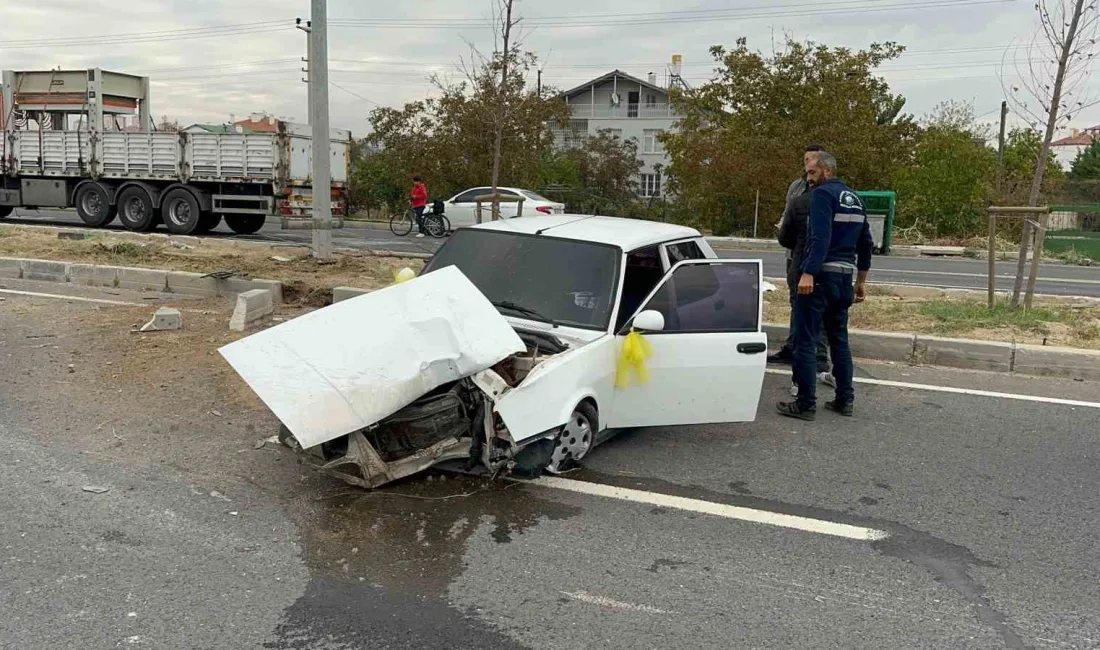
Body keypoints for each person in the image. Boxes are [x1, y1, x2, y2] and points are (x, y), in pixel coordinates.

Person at [777, 151, 873, 421]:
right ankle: (845, 399)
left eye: (812, 173)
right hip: (844, 278)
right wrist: (861, 281)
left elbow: (819, 237)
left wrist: (808, 273)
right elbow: (866, 243)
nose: (809, 178)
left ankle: (805, 403)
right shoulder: (855, 199)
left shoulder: (821, 196)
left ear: (827, 172)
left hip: (820, 278)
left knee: (805, 340)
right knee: (839, 341)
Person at [769, 145, 830, 386]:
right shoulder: (796, 186)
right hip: (793, 254)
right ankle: (792, 346)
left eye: (814, 159)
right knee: (796, 302)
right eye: (806, 159)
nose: (809, 163)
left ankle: (820, 355)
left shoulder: (827, 189)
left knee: (818, 307)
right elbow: (789, 215)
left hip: (816, 258)